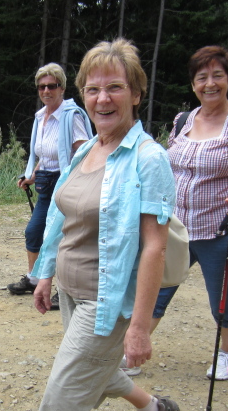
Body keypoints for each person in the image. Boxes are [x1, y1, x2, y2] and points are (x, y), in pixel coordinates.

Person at [32, 39, 180, 411]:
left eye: (115, 87)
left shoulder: (149, 159)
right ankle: (154, 406)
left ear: (136, 94)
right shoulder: (87, 149)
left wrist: (140, 327)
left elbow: (155, 247)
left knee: (60, 401)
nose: (102, 99)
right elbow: (63, 218)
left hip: (104, 304)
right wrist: (45, 274)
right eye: (92, 89)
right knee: (96, 367)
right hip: (70, 292)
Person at [125, 45, 228, 380]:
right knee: (156, 289)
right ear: (193, 84)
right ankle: (134, 351)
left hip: (224, 230)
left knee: (223, 298)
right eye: (202, 77)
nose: (210, 84)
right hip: (177, 227)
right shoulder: (183, 121)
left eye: (217, 76)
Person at [7, 63, 93, 309]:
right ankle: (34, 279)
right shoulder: (40, 117)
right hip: (46, 183)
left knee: (61, 237)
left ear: (62, 88)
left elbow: (85, 152)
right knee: (35, 232)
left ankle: (63, 290)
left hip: (66, 184)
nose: (46, 91)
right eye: (42, 86)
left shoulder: (71, 116)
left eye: (52, 86)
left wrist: (79, 183)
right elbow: (46, 156)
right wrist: (31, 176)